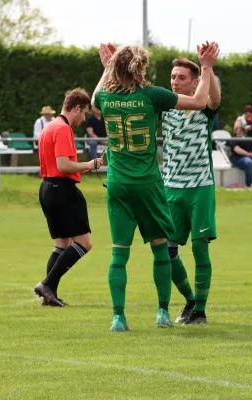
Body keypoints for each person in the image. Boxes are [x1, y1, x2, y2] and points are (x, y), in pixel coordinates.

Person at [91, 42, 219, 332]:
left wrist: (106, 68)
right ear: (141, 67)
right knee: (161, 248)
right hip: (148, 184)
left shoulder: (107, 97)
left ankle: (118, 318)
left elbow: (93, 100)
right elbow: (200, 102)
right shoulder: (152, 95)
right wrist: (208, 66)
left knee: (119, 253)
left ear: (115, 69)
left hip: (118, 184)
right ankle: (162, 312)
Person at [161, 56, 221, 325]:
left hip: (200, 187)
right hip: (170, 187)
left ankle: (201, 310)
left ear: (195, 82)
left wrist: (207, 67)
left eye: (181, 77)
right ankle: (190, 299)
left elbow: (215, 100)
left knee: (199, 248)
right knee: (166, 250)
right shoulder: (164, 105)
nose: (175, 82)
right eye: (173, 77)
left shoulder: (203, 107)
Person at [33, 88, 105, 307]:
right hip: (63, 189)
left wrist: (81, 168)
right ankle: (47, 284)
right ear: (77, 108)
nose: (84, 120)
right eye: (84, 114)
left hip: (47, 187)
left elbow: (56, 165)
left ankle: (49, 295)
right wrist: (90, 164)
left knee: (62, 244)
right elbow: (64, 165)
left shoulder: (49, 127)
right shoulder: (63, 129)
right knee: (84, 242)